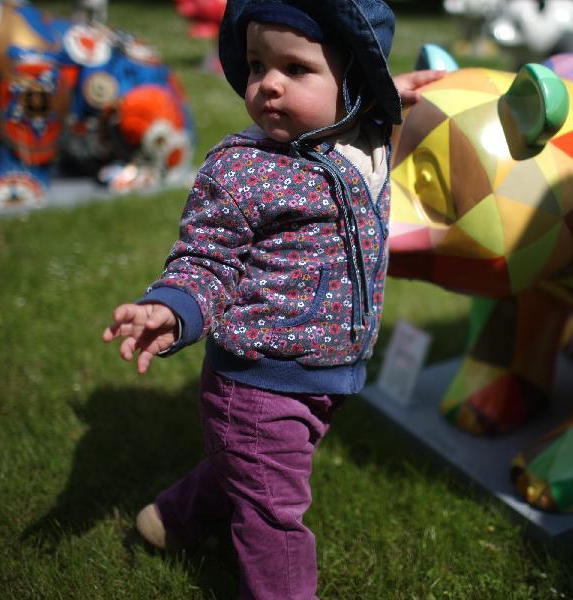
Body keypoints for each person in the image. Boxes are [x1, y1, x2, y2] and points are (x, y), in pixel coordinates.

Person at [101, 1, 443, 597]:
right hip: (257, 382)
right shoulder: (243, 169)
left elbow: (379, 107)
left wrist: (396, 89)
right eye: (257, 65)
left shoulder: (367, 139)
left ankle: (170, 521)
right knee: (274, 514)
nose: (269, 85)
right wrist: (173, 307)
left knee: (251, 468)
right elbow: (205, 260)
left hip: (328, 373)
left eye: (297, 68)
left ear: (356, 83)